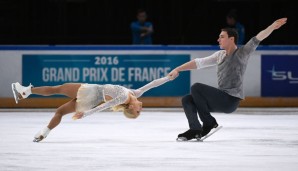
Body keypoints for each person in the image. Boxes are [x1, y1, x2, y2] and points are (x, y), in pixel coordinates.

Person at [168, 18, 287, 141]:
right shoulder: (219, 55)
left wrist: (272, 26)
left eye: (222, 37)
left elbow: (258, 38)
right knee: (187, 99)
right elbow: (198, 63)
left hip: (230, 101)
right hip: (220, 99)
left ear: (231, 39)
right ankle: (196, 129)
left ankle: (208, 122)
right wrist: (178, 69)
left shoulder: (242, 53)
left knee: (196, 87)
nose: (218, 39)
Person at [11, 76, 171, 142]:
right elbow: (153, 83)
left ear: (130, 106)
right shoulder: (136, 93)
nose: (140, 109)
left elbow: (105, 105)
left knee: (57, 89)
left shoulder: (123, 97)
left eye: (137, 111)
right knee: (59, 112)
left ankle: (27, 91)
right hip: (91, 100)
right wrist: (168, 78)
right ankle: (43, 133)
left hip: (91, 92)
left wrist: (85, 114)